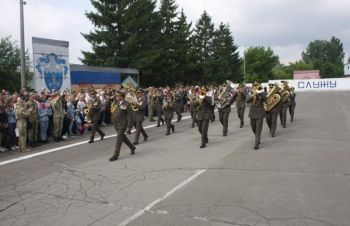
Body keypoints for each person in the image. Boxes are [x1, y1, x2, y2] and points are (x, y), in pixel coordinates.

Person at [109, 91, 136, 161]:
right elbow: (110, 110)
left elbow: (130, 116)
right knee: (122, 137)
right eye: (116, 96)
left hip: (123, 124)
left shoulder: (127, 104)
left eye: (118, 96)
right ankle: (132, 147)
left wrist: (129, 127)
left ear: (122, 96)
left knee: (118, 138)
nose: (116, 97)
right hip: (116, 124)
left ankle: (116, 154)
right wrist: (109, 99)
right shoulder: (115, 103)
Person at [247, 82, 267, 150]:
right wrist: (253, 95)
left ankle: (256, 144)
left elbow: (266, 100)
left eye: (256, 87)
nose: (255, 88)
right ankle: (258, 138)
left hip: (260, 114)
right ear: (252, 88)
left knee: (258, 129)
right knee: (253, 128)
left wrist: (260, 92)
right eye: (254, 87)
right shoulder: (250, 93)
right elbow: (247, 101)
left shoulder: (262, 93)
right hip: (252, 114)